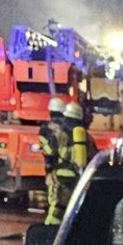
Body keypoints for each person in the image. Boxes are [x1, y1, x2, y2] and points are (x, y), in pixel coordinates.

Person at [47, 100, 91, 224]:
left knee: (57, 209)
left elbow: (51, 153)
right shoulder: (86, 136)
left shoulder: (59, 134)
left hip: (61, 176)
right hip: (78, 178)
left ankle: (49, 233)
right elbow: (93, 156)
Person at [38, 96, 69, 225]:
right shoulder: (69, 128)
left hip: (55, 170)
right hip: (71, 169)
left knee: (55, 202)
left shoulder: (46, 128)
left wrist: (42, 149)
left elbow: (49, 151)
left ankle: (50, 228)